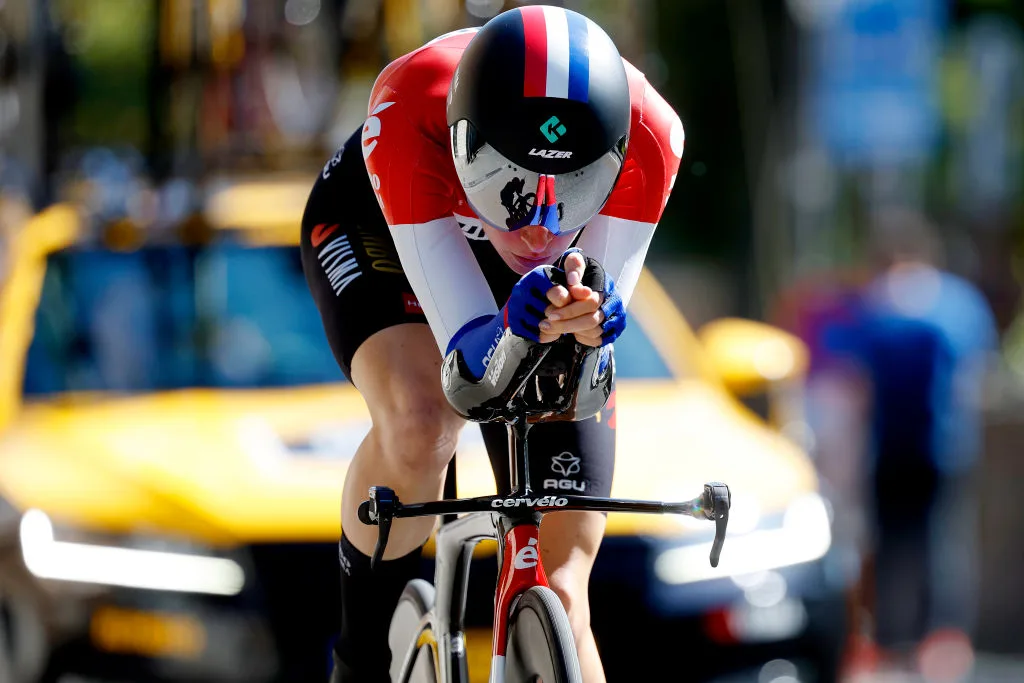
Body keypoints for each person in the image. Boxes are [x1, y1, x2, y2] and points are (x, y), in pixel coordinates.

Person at [300, 6, 683, 681]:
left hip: (522, 287)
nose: (539, 224)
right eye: (509, 187)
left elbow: (589, 351)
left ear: (617, 157)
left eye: (575, 189)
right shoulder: (409, 101)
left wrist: (592, 322)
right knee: (423, 420)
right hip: (383, 232)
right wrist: (507, 329)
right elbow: (468, 368)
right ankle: (358, 659)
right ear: (463, 140)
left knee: (565, 591)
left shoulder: (654, 136)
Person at [823, 209, 997, 677]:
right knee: (939, 544)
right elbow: (975, 373)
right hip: (941, 446)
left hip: (907, 448)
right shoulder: (958, 303)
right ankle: (936, 636)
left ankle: (905, 636)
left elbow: (851, 380)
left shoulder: (876, 306)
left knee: (907, 545)